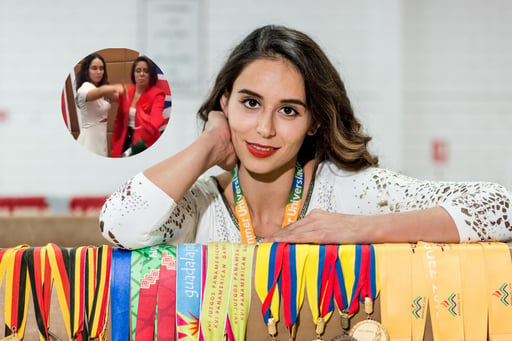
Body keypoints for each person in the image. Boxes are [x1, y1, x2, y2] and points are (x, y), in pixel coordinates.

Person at [99, 25, 512, 249]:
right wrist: (209, 145)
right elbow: (118, 225)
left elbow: (499, 208)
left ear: (314, 122)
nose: (265, 128)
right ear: (224, 103)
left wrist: (360, 228)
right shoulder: (199, 203)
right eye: (250, 103)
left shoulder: (351, 191)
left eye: (289, 110)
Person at [111, 56, 167, 157]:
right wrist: (114, 147)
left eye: (145, 71)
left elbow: (157, 121)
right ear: (134, 73)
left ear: (151, 75)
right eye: (138, 70)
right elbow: (118, 122)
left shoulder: (157, 94)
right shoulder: (127, 92)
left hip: (144, 141)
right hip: (124, 139)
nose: (141, 74)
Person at [75, 53, 124, 157]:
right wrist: (115, 87)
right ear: (87, 71)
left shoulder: (102, 90)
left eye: (101, 68)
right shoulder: (85, 88)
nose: (98, 72)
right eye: (94, 68)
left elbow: (121, 98)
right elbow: (99, 92)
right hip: (89, 140)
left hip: (101, 140)